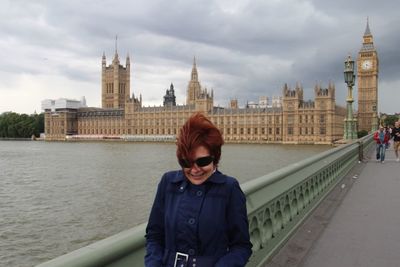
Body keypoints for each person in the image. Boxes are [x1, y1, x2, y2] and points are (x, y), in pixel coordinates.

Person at [145, 113, 253, 267]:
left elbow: (241, 246)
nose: (195, 170)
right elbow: (154, 236)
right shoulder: (168, 183)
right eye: (186, 162)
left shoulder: (229, 188)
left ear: (215, 158)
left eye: (202, 161)